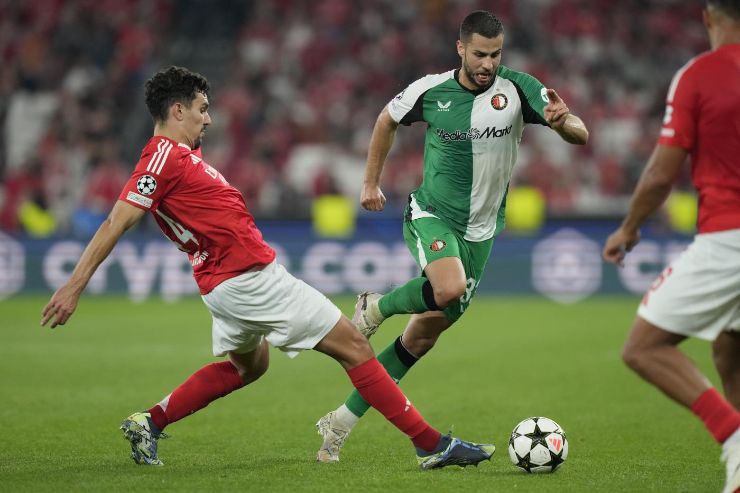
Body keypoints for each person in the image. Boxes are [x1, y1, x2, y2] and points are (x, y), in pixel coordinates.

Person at [39, 66, 496, 470]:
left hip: (224, 285)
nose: (209, 117)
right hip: (250, 280)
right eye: (202, 108)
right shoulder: (161, 158)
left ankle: (150, 422)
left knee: (249, 367)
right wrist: (73, 287)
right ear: (177, 111)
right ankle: (431, 445)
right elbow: (118, 219)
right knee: (356, 346)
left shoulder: (182, 159)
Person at [316, 10, 588, 462]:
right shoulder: (431, 89)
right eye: (480, 54)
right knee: (448, 287)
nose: (488, 64)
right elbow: (386, 119)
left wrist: (562, 122)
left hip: (482, 233)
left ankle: (340, 423)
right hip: (433, 214)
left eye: (495, 54)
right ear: (461, 48)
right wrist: (369, 183)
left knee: (419, 340)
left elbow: (580, 131)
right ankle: (376, 305)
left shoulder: (519, 88)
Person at [602, 2, 740, 492]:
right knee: (729, 346)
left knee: (643, 348)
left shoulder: (698, 76)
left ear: (708, 17)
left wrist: (630, 228)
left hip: (729, 238)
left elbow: (663, 172)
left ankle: (734, 438)